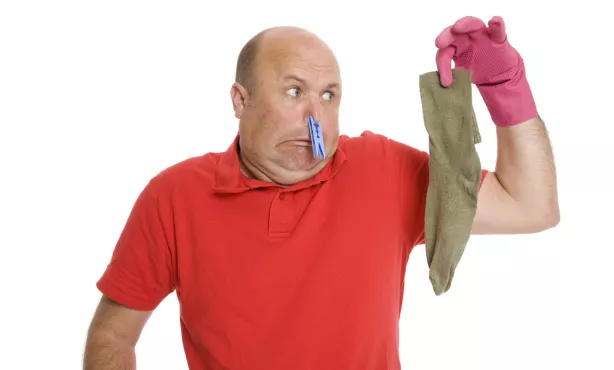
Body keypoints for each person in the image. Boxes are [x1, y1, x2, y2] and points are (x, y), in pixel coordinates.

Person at [83, 16, 559, 370]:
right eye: (294, 92)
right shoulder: (174, 196)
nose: (315, 118)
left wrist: (505, 87)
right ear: (240, 100)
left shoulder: (383, 170)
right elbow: (113, 335)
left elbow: (531, 207)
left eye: (328, 96)